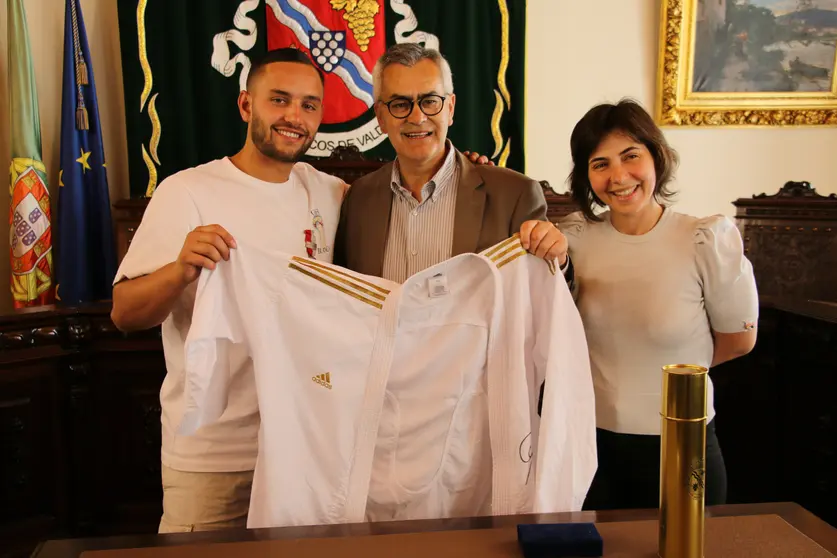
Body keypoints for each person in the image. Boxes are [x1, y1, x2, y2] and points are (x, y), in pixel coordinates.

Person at [110, 48, 346, 532]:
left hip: (304, 449)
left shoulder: (330, 192)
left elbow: (409, 192)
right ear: (246, 105)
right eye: (278, 100)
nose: (293, 117)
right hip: (213, 455)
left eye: (308, 105)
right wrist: (180, 269)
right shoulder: (188, 191)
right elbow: (125, 312)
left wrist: (470, 167)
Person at [559, 99, 758, 510]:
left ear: (657, 157)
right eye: (600, 164)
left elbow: (739, 340)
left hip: (682, 445)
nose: (619, 176)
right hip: (591, 447)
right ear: (586, 175)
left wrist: (664, 372)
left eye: (631, 156)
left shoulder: (703, 239)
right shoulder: (572, 240)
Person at [334, 43, 567, 278]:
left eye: (430, 101)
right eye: (400, 104)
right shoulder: (357, 201)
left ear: (450, 108)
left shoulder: (515, 195)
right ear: (381, 118)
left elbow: (548, 296)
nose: (417, 117)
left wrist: (559, 260)